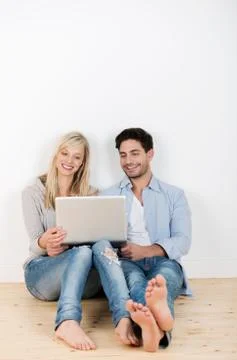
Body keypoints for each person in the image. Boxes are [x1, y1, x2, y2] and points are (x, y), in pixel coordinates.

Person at [22, 131, 137, 351]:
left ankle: (123, 316)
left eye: (77, 156)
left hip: (84, 280)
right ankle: (67, 321)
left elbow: (103, 243)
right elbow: (33, 245)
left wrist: (116, 242)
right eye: (65, 153)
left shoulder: (92, 194)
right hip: (42, 276)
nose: (69, 161)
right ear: (56, 156)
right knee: (83, 252)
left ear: (83, 162)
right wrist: (44, 243)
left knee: (100, 245)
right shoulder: (33, 193)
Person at [100, 127, 192, 352]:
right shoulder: (107, 195)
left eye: (134, 153)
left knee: (163, 281)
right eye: (123, 155)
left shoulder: (174, 195)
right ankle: (161, 331)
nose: (128, 161)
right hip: (127, 262)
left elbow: (183, 241)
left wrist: (147, 250)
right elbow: (101, 239)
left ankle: (154, 328)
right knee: (137, 284)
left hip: (164, 260)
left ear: (149, 154)